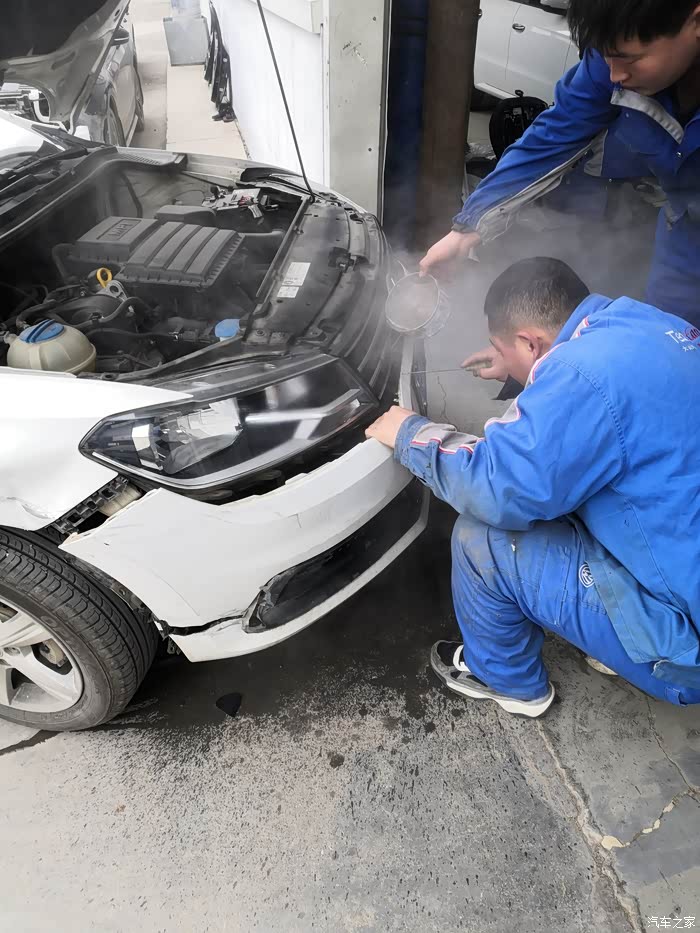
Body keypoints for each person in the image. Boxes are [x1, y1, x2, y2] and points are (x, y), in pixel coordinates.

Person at [366, 257, 700, 716]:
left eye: (502, 347)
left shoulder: (580, 377)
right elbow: (595, 396)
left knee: (483, 539)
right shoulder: (646, 322)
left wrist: (409, 433)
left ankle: (507, 681)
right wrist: (520, 366)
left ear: (530, 341)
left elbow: (496, 486)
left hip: (687, 647)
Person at [420, 0, 700, 335]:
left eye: (629, 59)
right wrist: (467, 229)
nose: (614, 75)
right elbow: (551, 138)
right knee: (668, 335)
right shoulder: (611, 63)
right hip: (684, 229)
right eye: (605, 56)